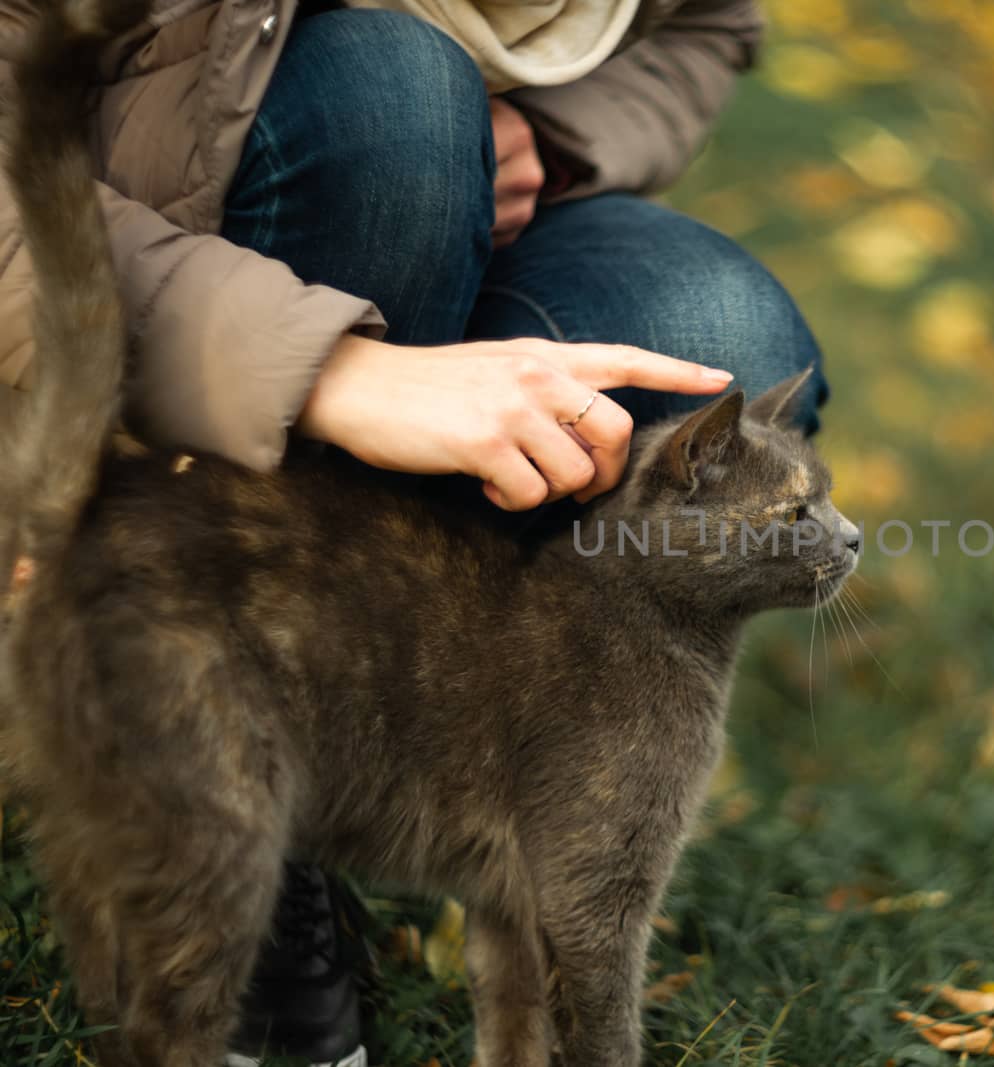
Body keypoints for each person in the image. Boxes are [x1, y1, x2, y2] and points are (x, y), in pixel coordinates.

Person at [0, 0, 829, 1063]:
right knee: (395, 92)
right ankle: (234, 812)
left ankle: (485, 771)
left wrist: (563, 135)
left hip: (471, 217)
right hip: (118, 311)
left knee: (725, 341)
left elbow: (710, 26)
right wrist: (336, 373)